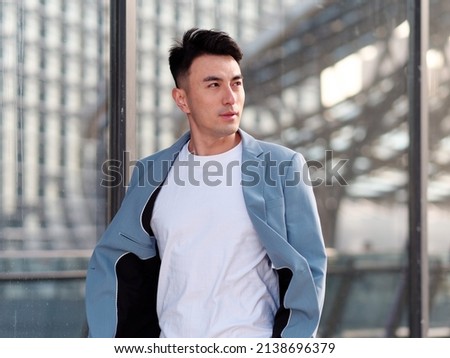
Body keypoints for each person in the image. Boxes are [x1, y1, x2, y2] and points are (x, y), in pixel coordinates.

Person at [85, 27, 327, 338]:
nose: (230, 98)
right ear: (182, 99)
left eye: (236, 84)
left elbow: (309, 271)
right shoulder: (150, 173)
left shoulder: (281, 168)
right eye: (214, 84)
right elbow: (119, 268)